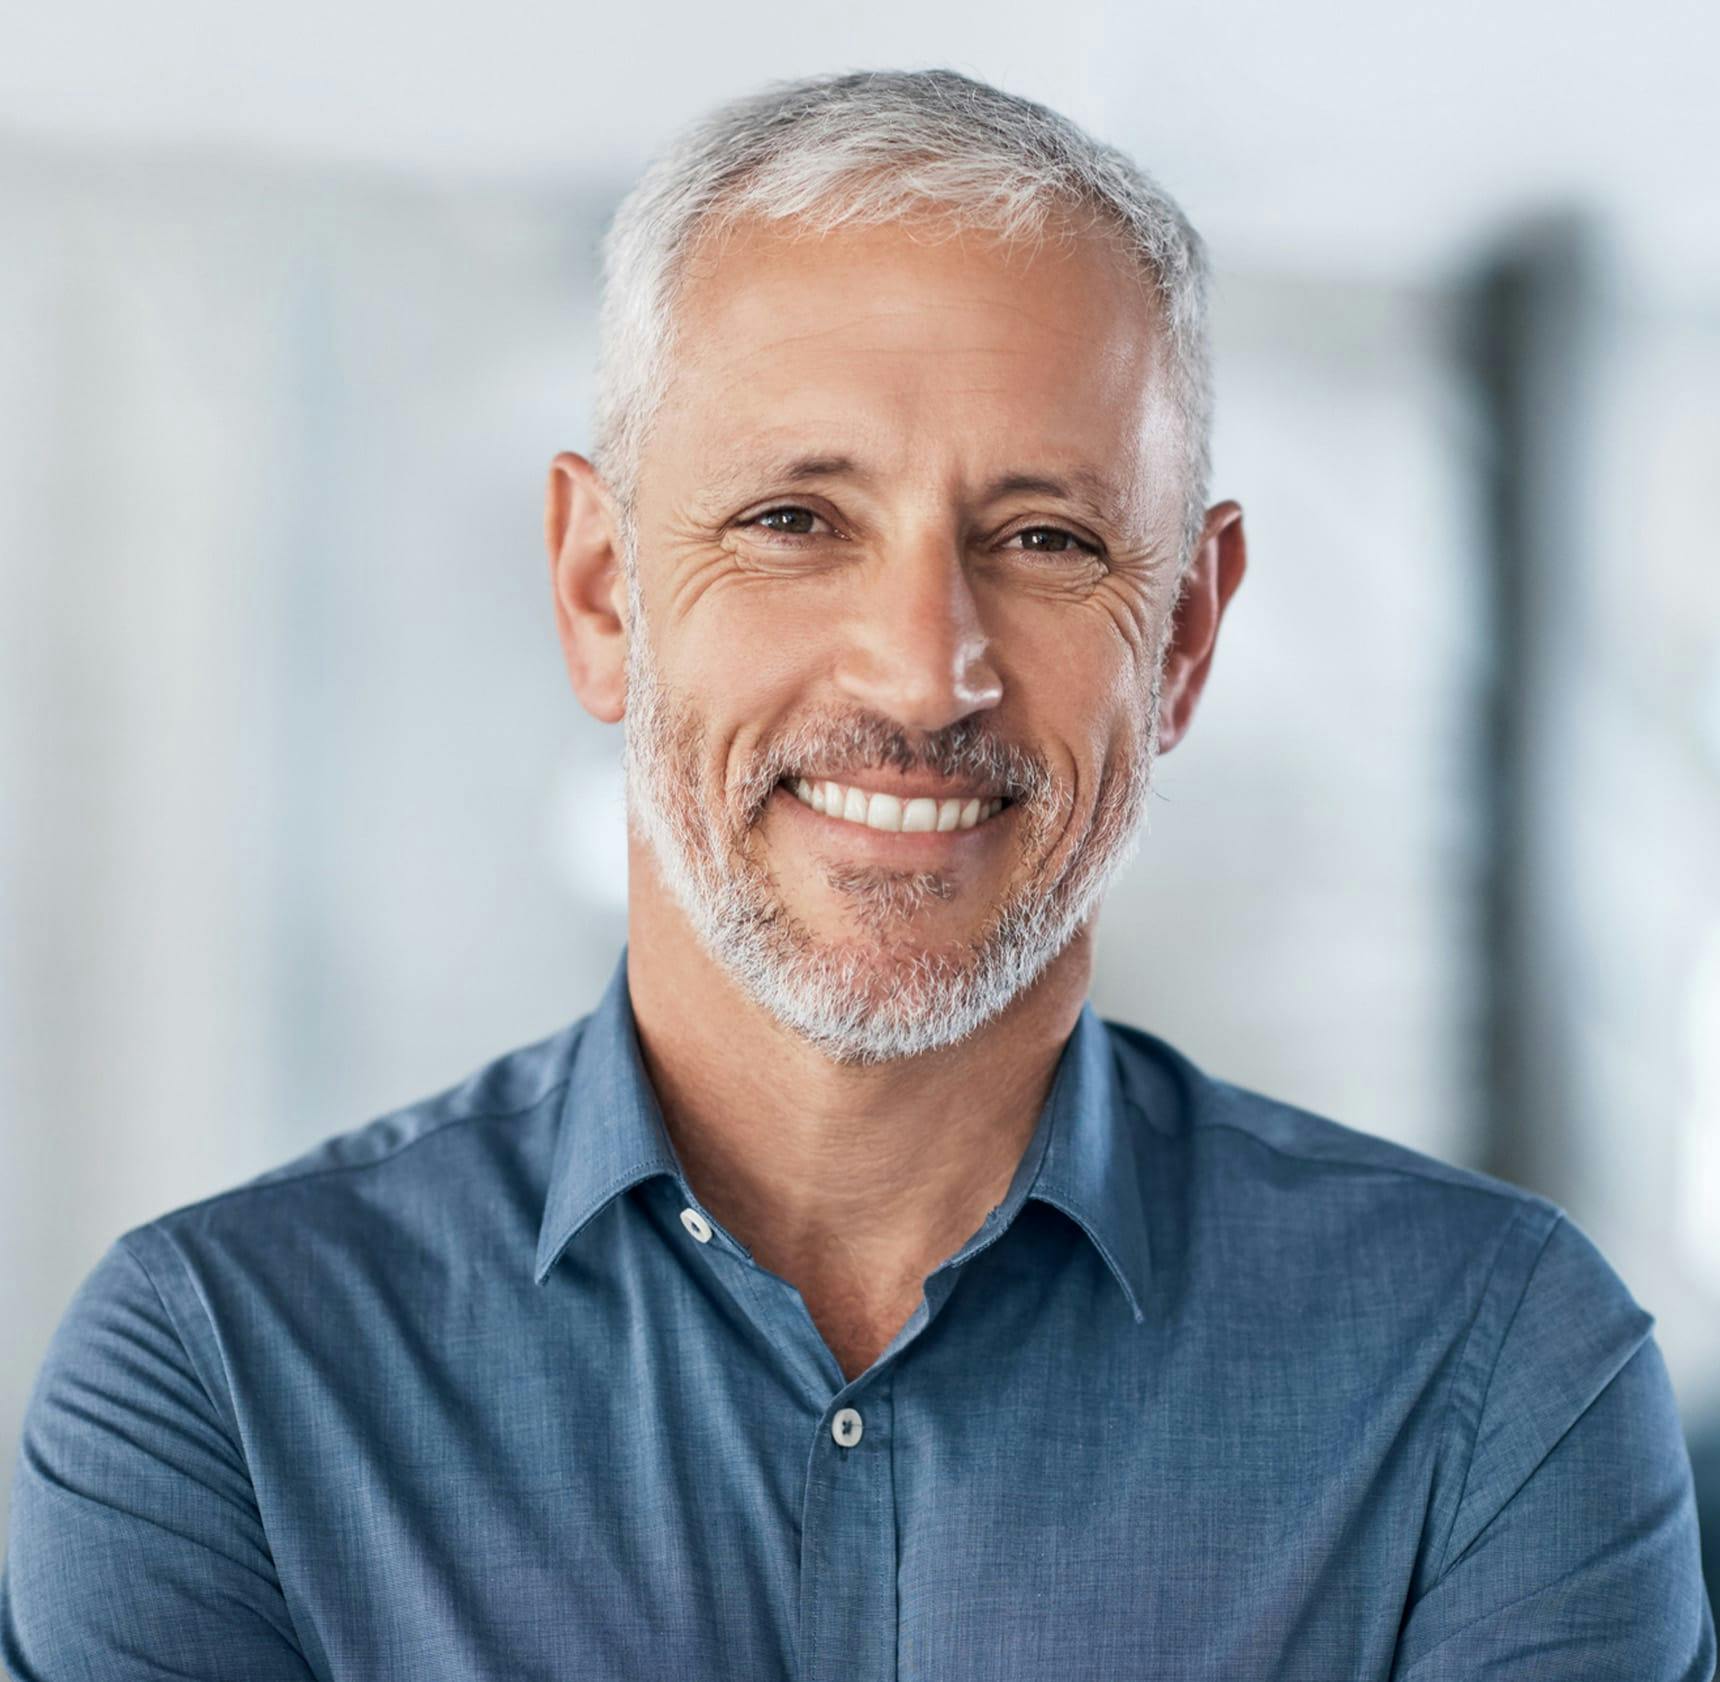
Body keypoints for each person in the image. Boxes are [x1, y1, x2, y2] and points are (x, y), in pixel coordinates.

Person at [2, 65, 1713, 1681]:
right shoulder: (221, 1380)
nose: (918, 672)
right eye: (793, 522)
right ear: (604, 592)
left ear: (1184, 635)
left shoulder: (1495, 1377)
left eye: (1045, 538)